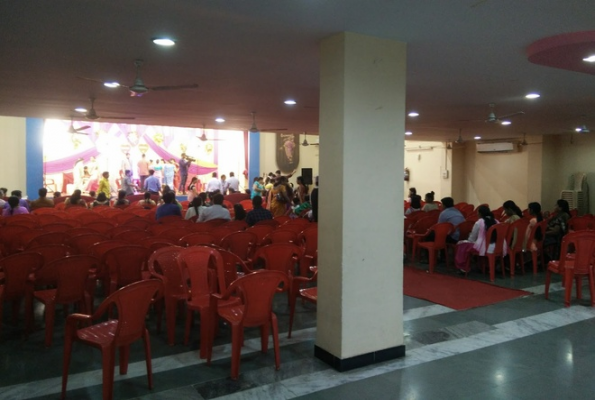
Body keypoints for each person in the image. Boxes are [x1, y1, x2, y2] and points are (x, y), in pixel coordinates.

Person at [454, 205, 501, 274]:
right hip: (498, 247)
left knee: (462, 245)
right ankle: (485, 265)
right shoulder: (497, 221)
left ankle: (463, 267)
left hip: (484, 248)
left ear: (480, 214)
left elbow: (472, 239)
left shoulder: (479, 222)